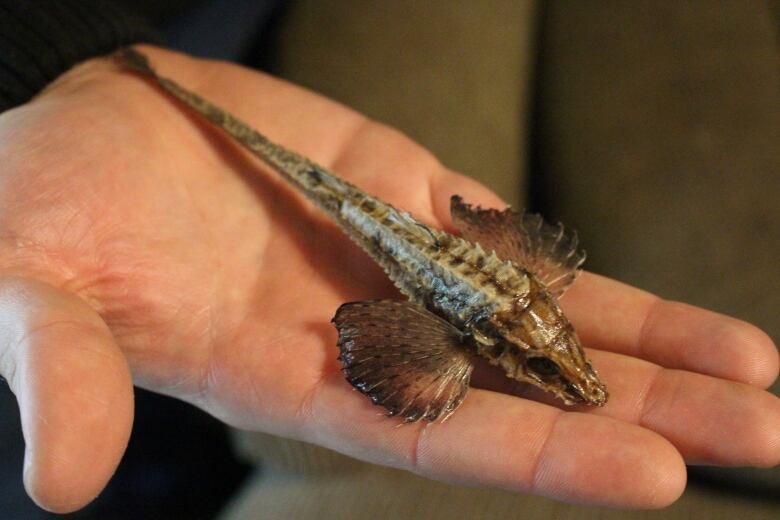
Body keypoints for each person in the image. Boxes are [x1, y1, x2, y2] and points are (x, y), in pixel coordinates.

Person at [1, 2, 779, 516]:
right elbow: (403, 352)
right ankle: (149, 78)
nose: (566, 371)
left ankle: (141, 72)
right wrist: (64, 78)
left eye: (557, 356)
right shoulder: (469, 335)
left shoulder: (532, 303)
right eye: (549, 366)